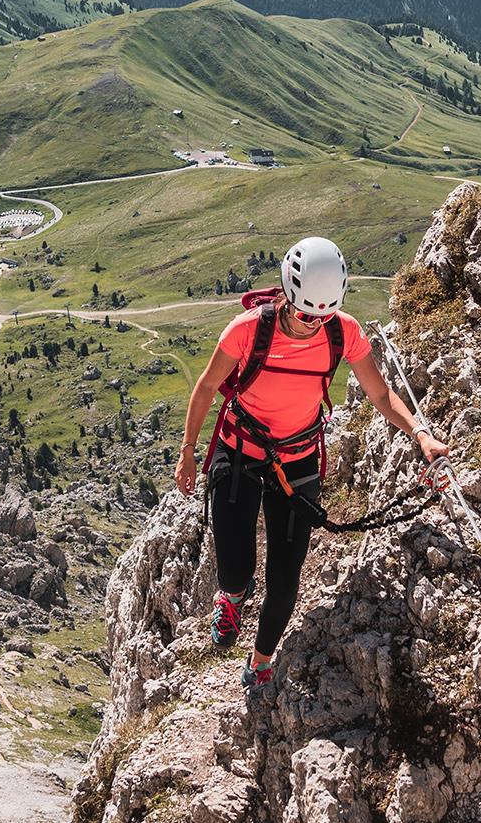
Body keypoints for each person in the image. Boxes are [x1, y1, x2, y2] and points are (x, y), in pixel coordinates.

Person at [174, 235, 449, 692]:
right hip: (240, 447)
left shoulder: (343, 332)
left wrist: (421, 435)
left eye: (322, 316)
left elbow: (380, 394)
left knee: (285, 580)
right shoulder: (246, 330)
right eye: (304, 314)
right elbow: (205, 389)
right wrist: (188, 451)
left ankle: (260, 662)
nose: (311, 325)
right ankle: (234, 597)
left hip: (298, 456)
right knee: (235, 566)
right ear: (285, 293)